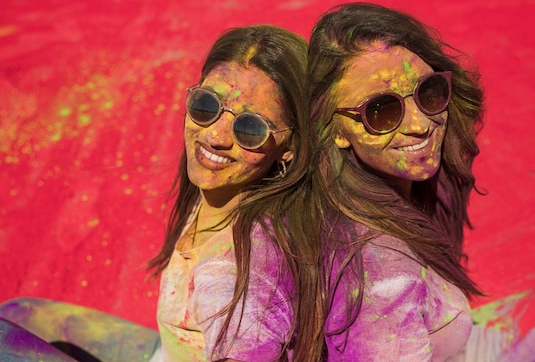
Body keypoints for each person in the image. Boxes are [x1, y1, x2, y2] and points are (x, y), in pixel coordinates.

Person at [306, 2, 535, 362]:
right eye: (382, 110)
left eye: (428, 92)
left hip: (443, 347)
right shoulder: (382, 276)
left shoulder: (412, 187)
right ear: (336, 130)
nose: (419, 124)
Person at [0, 24, 324, 362]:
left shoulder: (238, 272)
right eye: (206, 104)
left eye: (251, 127)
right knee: (19, 312)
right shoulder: (231, 192)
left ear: (290, 147)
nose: (215, 136)